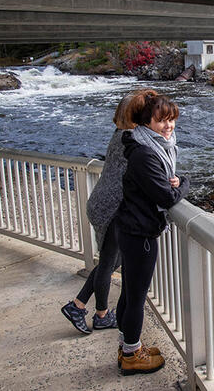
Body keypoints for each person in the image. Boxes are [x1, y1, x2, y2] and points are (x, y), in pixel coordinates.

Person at [60, 89, 157, 334]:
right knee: (107, 263)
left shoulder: (121, 134)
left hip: (102, 203)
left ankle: (79, 304)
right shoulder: (133, 140)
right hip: (111, 208)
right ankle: (99, 313)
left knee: (115, 260)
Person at [114, 92, 189, 375]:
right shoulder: (145, 154)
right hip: (139, 233)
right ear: (146, 122)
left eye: (171, 120)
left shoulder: (149, 145)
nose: (168, 126)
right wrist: (185, 183)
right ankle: (132, 355)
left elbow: (164, 189)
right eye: (161, 121)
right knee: (136, 298)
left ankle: (128, 346)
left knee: (130, 293)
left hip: (132, 228)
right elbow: (167, 197)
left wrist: (176, 184)